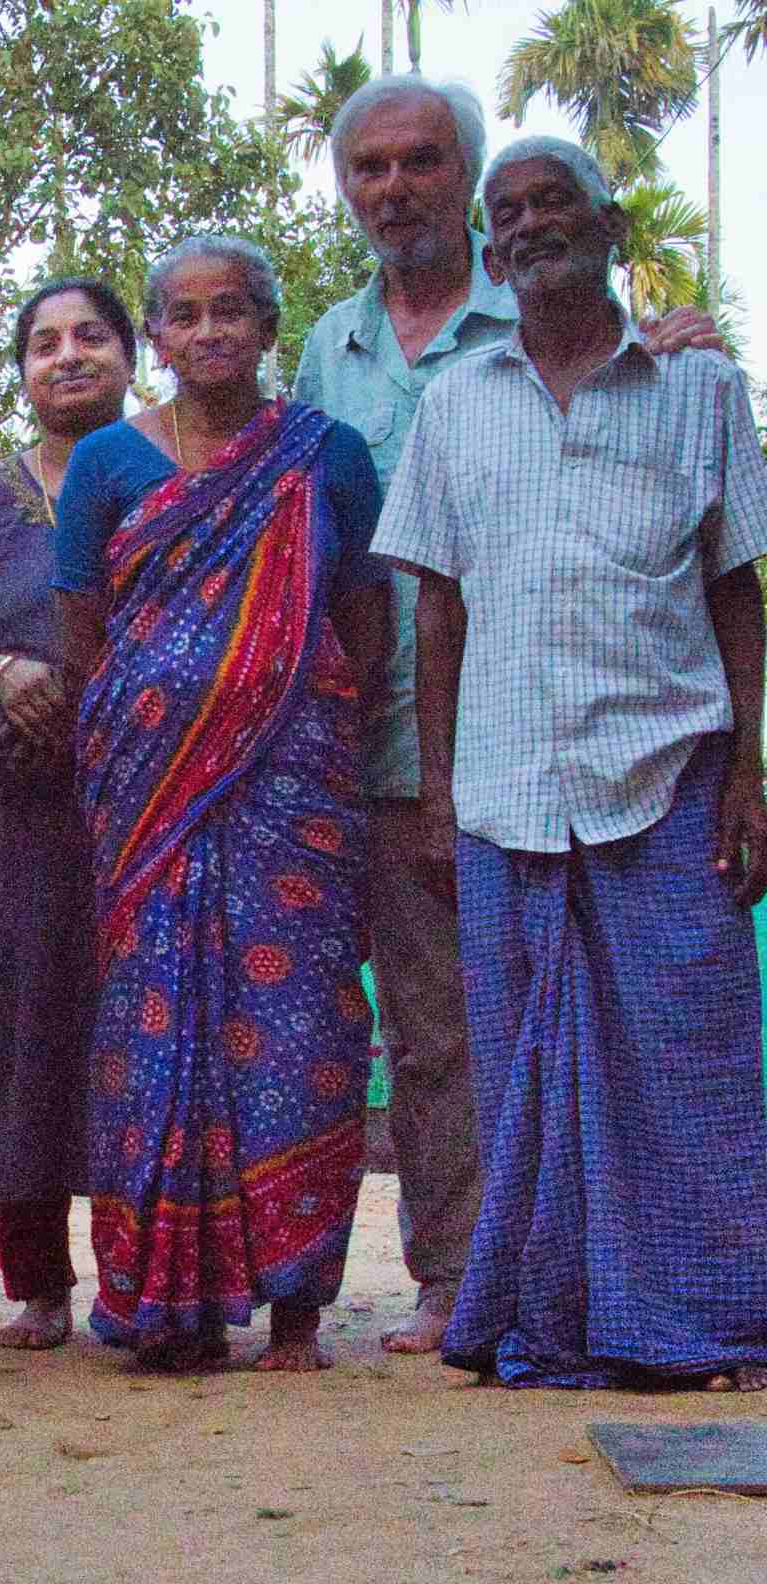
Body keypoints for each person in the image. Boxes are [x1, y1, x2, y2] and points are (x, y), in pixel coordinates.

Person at [294, 75, 721, 1356]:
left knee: (636, 1020)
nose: (395, 189)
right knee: (439, 1029)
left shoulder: (589, 337)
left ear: (466, 187)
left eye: (422, 162)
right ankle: (460, 1276)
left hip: (587, 737)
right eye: (370, 169)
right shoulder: (330, 347)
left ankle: (639, 1284)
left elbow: (716, 558)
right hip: (398, 747)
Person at [372, 138, 767, 1393]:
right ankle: (546, 1319)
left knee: (692, 1062)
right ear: (491, 254)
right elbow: (438, 610)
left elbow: (737, 587)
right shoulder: (455, 404)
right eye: (513, 211)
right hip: (504, 796)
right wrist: (441, 795)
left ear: (612, 228)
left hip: (671, 776)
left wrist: (752, 773)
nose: (535, 222)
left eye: (558, 201)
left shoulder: (701, 389)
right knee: (523, 1078)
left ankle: (711, 1326)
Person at [54, 235, 388, 1375]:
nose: (209, 333)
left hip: (295, 791)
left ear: (266, 326)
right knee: (151, 1033)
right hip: (147, 800)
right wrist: (156, 733)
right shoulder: (106, 462)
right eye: (186, 315)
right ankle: (170, 1302)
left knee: (304, 1027)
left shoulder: (326, 456)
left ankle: (298, 1305)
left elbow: (364, 621)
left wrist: (280, 711)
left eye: (232, 310)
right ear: (156, 335)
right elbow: (84, 636)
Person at [0, 278, 138, 1350]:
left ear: (131, 356)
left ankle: (140, 1274)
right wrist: (4, 671)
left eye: (92, 336)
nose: (69, 356)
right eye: (45, 342)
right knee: (17, 1027)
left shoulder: (169, 477)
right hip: (14, 801)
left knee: (139, 1021)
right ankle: (38, 1282)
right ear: (21, 369)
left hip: (148, 799)